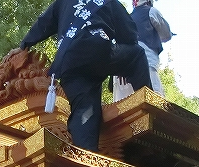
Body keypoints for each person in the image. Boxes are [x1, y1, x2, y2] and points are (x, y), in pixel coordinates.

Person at [19, 0, 151, 151]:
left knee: (85, 114)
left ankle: (85, 158)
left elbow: (43, 23)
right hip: (96, 51)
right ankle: (150, 107)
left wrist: (24, 45)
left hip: (68, 63)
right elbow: (129, 33)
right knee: (138, 55)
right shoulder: (108, 2)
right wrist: (125, 67)